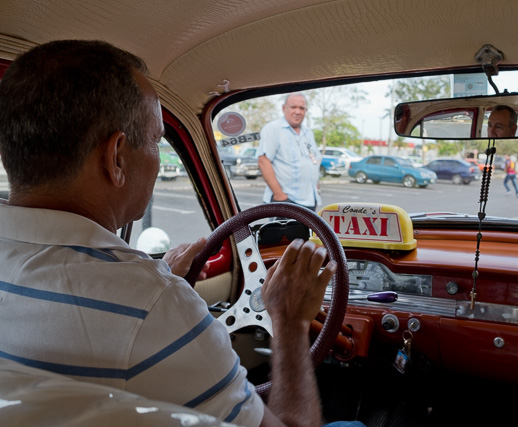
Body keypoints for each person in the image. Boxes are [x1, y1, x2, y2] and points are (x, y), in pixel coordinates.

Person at [0, 40, 339, 427]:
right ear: (116, 158)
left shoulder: (152, 301)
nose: (159, 162)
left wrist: (164, 282)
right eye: (157, 141)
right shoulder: (157, 306)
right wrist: (291, 323)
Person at [258, 93, 322, 211]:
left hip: (309, 201)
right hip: (285, 202)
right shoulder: (273, 129)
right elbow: (263, 161)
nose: (298, 111)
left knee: (306, 231)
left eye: (301, 108)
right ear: (284, 108)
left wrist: (316, 187)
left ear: (306, 110)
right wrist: (280, 196)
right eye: (293, 107)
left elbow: (313, 161)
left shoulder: (308, 132)